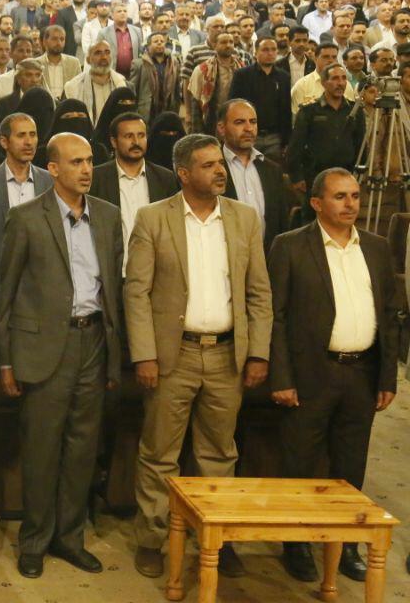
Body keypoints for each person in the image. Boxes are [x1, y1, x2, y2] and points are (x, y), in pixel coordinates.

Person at [126, 134, 272, 580]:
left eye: (220, 163)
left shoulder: (244, 219)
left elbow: (259, 293)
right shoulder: (153, 218)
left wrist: (258, 352)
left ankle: (215, 539)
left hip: (227, 356)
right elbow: (136, 292)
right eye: (208, 165)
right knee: (160, 455)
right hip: (174, 355)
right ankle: (152, 540)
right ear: (184, 174)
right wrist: (144, 355)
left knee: (219, 454)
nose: (220, 170)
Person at [0, 132, 124, 578]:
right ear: (53, 169)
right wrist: (6, 361)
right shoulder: (26, 218)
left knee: (82, 448)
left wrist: (115, 355)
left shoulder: (108, 216)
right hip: (45, 347)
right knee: (42, 448)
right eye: (76, 162)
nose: (87, 170)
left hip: (94, 341)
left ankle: (70, 538)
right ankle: (34, 541)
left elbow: (114, 290)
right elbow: (6, 294)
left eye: (89, 161)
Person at [268, 168, 399, 584]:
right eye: (340, 196)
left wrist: (387, 377)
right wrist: (281, 377)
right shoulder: (290, 246)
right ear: (316, 203)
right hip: (311, 372)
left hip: (361, 373)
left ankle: (345, 544)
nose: (350, 204)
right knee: (300, 464)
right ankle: (296, 543)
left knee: (350, 465)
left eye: (355, 196)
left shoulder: (376, 248)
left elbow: (390, 315)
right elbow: (276, 316)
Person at [0, 113, 53, 299]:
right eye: (21, 135)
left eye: (33, 134)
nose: (29, 142)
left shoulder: (50, 182)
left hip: (43, 289)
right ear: (4, 142)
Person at [90, 113, 180, 255]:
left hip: (155, 263)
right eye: (128, 136)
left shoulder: (165, 178)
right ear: (113, 142)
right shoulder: (96, 178)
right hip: (112, 263)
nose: (136, 142)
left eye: (141, 135)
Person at [217, 99, 292, 249]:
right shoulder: (212, 168)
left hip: (267, 258)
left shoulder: (273, 170)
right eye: (239, 122)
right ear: (221, 128)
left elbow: (282, 226)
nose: (248, 128)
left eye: (253, 122)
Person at [288, 64, 363, 198]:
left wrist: (360, 175)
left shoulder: (355, 111)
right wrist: (297, 177)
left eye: (343, 78)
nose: (340, 83)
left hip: (347, 175)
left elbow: (361, 145)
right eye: (335, 78)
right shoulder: (309, 111)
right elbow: (296, 146)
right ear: (323, 82)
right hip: (315, 177)